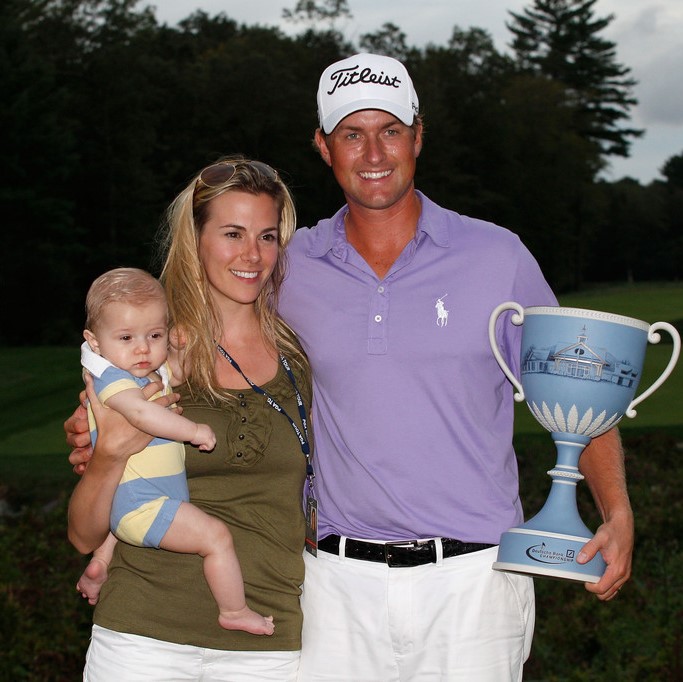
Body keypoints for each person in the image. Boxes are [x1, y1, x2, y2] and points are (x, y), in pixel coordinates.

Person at [274, 53, 634, 681]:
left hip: (476, 587)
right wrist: (113, 423)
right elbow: (208, 361)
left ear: (418, 135)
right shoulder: (288, 265)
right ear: (323, 147)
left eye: (390, 130)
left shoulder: (497, 255)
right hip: (334, 588)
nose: (373, 152)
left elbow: (579, 389)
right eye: (351, 134)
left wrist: (617, 511)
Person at [67, 158, 312, 680]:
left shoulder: (298, 362)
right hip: (140, 636)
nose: (252, 254)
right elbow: (83, 534)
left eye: (267, 236)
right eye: (232, 233)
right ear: (195, 240)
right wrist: (107, 452)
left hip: (266, 644)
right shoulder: (145, 356)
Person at [78, 266, 277, 636]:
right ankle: (233, 609)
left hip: (140, 496)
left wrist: (187, 349)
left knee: (121, 515)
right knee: (215, 537)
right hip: (144, 503)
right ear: (95, 342)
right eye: (126, 337)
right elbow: (142, 413)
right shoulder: (112, 381)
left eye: (154, 335)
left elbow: (180, 373)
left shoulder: (148, 371)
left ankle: (101, 561)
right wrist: (193, 430)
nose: (142, 348)